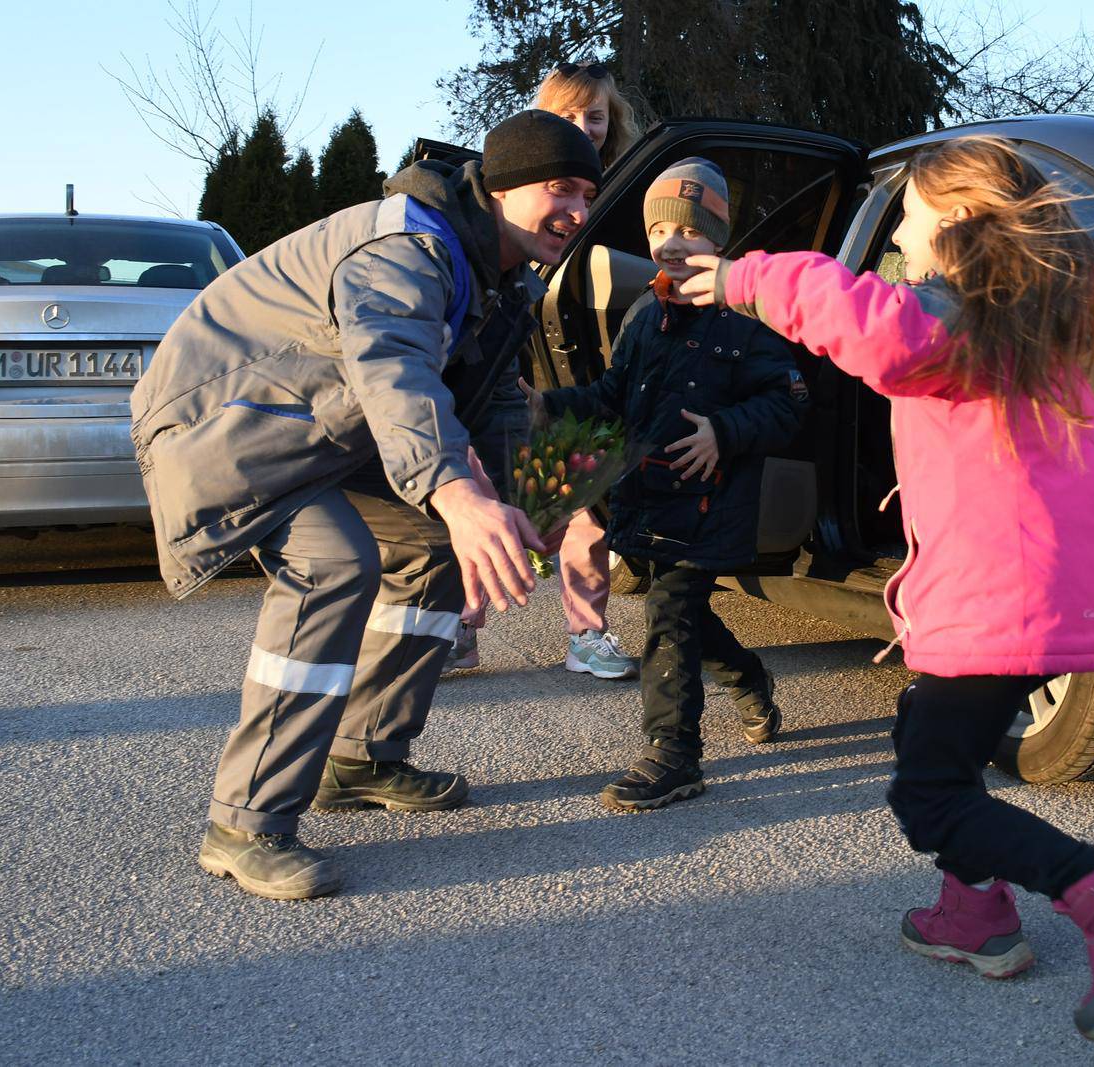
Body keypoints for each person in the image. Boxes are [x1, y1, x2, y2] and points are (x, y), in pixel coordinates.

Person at [680, 136, 1094, 1041]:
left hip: (994, 597)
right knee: (928, 734)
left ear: (955, 223)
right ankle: (975, 917)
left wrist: (742, 279)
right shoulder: (1024, 324)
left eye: (909, 221)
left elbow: (872, 328)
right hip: (1031, 593)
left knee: (928, 794)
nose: (900, 243)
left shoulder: (950, 318)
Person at [131, 111, 603, 900]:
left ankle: (362, 756)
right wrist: (456, 489)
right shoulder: (407, 248)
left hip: (325, 431)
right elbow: (395, 373)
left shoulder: (500, 272)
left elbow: (490, 404)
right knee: (332, 563)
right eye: (561, 189)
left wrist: (513, 497)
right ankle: (244, 822)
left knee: (437, 543)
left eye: (588, 193)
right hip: (227, 427)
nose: (580, 212)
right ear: (500, 185)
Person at [530, 158, 802, 811]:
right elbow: (612, 396)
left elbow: (789, 402)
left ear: (717, 238)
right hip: (650, 500)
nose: (672, 242)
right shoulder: (643, 318)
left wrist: (724, 431)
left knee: (670, 614)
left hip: (713, 503)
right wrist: (547, 406)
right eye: (659, 229)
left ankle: (673, 752)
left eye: (689, 230)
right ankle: (750, 678)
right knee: (685, 616)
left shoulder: (746, 316)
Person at [446, 59, 643, 679]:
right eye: (568, 114)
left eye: (595, 117)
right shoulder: (522, 190)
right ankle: (458, 630)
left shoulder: (621, 197)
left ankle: (588, 635)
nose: (583, 126)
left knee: (583, 511)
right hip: (515, 377)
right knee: (482, 500)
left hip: (583, 378)